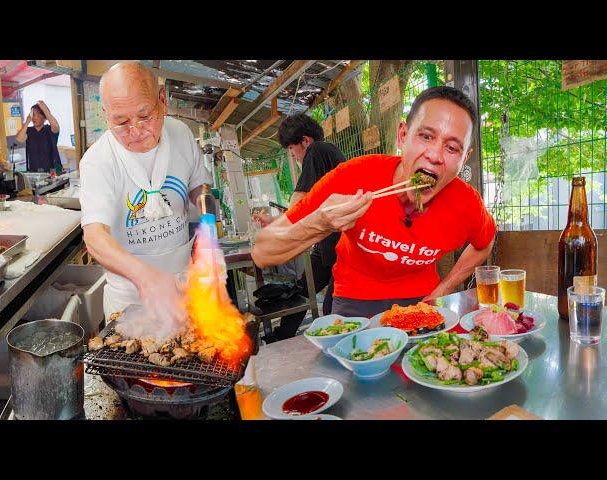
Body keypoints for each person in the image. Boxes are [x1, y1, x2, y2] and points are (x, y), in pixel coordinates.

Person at [251, 86, 496, 318]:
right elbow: (262, 251)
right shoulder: (353, 177)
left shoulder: (465, 202)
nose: (434, 156)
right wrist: (319, 224)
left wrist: (444, 289)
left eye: (452, 148)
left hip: (422, 301)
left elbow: (484, 243)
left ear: (465, 159)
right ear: (403, 135)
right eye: (425, 136)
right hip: (354, 303)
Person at [79, 62, 212, 327]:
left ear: (162, 100)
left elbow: (201, 188)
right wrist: (146, 279)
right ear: (105, 114)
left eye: (145, 116)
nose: (136, 131)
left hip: (186, 286)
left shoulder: (181, 134)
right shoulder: (97, 161)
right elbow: (94, 236)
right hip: (129, 299)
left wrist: (208, 233)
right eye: (121, 122)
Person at [252, 113, 345, 342]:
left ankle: (342, 351)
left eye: (292, 150)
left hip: (343, 247)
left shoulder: (318, 150)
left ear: (305, 141)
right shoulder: (327, 156)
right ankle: (280, 337)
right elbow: (307, 207)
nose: (294, 157)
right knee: (302, 290)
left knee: (333, 306)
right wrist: (276, 221)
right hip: (327, 243)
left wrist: (276, 230)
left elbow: (300, 198)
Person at [15, 100, 62, 173]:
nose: (34, 118)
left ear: (44, 117)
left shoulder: (50, 129)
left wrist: (45, 110)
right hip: (34, 172)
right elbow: (19, 139)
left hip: (53, 171)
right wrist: (27, 121)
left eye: (38, 115)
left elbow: (55, 126)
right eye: (33, 115)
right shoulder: (29, 131)